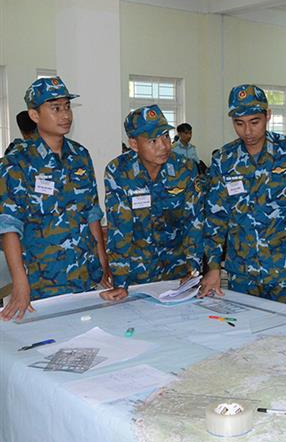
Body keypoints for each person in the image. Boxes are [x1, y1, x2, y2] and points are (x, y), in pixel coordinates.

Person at [0, 77, 111, 320]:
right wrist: (19, 283)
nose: (66, 115)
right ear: (35, 115)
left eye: (67, 107)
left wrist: (103, 263)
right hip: (43, 280)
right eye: (55, 108)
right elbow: (9, 226)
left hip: (85, 275)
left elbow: (92, 214)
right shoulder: (17, 162)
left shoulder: (80, 155)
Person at [201, 85, 286, 306]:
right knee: (244, 335)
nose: (248, 132)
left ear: (267, 115)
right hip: (242, 273)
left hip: (285, 271)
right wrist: (213, 267)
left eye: (255, 122)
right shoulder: (224, 160)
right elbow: (215, 218)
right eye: (239, 124)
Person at [103, 105, 203, 300]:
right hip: (137, 275)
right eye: (153, 140)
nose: (164, 146)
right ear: (133, 143)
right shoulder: (119, 171)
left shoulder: (185, 168)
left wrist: (193, 273)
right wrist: (120, 282)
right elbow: (119, 229)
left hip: (178, 273)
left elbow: (194, 223)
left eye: (166, 136)